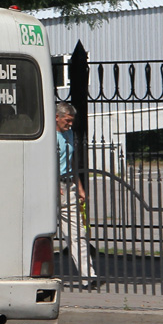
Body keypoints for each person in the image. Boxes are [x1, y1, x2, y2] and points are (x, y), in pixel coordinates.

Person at [56, 101, 99, 287]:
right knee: (44, 233)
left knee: (77, 232)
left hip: (68, 186)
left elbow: (71, 162)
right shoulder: (47, 134)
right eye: (67, 120)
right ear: (56, 117)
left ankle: (88, 276)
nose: (70, 124)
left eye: (72, 121)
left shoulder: (69, 133)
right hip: (51, 187)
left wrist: (79, 186)